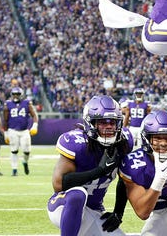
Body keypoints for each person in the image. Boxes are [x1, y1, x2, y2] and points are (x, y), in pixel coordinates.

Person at [47, 95, 132, 236]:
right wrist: (99, 171)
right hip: (63, 206)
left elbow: (125, 181)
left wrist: (118, 213)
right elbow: (59, 184)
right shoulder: (77, 143)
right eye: (103, 122)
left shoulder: (124, 142)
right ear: (90, 123)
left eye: (113, 122)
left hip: (94, 210)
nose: (109, 127)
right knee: (78, 194)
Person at [3, 86, 39, 176]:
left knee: (27, 151)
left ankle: (25, 162)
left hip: (24, 131)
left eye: (17, 94)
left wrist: (35, 125)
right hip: (12, 130)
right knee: (14, 150)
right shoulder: (7, 104)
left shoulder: (27, 103)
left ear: (21, 95)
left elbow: (34, 115)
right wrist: (5, 133)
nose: (16, 96)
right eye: (14, 94)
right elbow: (5, 119)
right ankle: (14, 170)